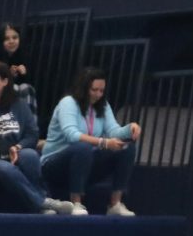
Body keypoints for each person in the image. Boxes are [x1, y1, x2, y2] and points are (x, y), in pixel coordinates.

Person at [0, 61, 73, 215]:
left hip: (13, 153)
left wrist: (18, 147)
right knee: (5, 168)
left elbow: (32, 134)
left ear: (5, 81)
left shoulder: (19, 105)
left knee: (30, 155)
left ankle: (40, 206)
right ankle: (43, 202)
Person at [41, 66, 142, 216]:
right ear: (83, 88)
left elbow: (113, 131)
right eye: (94, 90)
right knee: (82, 147)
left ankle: (115, 204)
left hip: (85, 161)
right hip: (55, 164)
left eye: (101, 91)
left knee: (127, 148)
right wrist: (105, 143)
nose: (98, 95)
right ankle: (76, 203)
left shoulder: (103, 105)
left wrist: (130, 128)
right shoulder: (68, 103)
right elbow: (72, 135)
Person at [0, 22, 37, 116]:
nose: (11, 41)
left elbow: (31, 82)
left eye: (15, 38)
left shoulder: (23, 55)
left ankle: (29, 124)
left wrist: (24, 74)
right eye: (7, 39)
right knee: (13, 88)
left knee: (26, 88)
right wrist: (8, 74)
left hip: (15, 97)